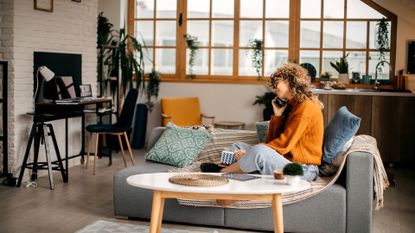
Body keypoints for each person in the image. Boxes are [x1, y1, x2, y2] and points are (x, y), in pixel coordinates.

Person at [201, 63, 324, 182]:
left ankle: (222, 172)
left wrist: (250, 153)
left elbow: (284, 144)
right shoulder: (292, 106)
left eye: (277, 83)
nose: (274, 88)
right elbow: (271, 142)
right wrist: (278, 116)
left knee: (259, 151)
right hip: (284, 159)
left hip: (303, 169)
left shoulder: (307, 107)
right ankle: (245, 168)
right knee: (237, 146)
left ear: (289, 81)